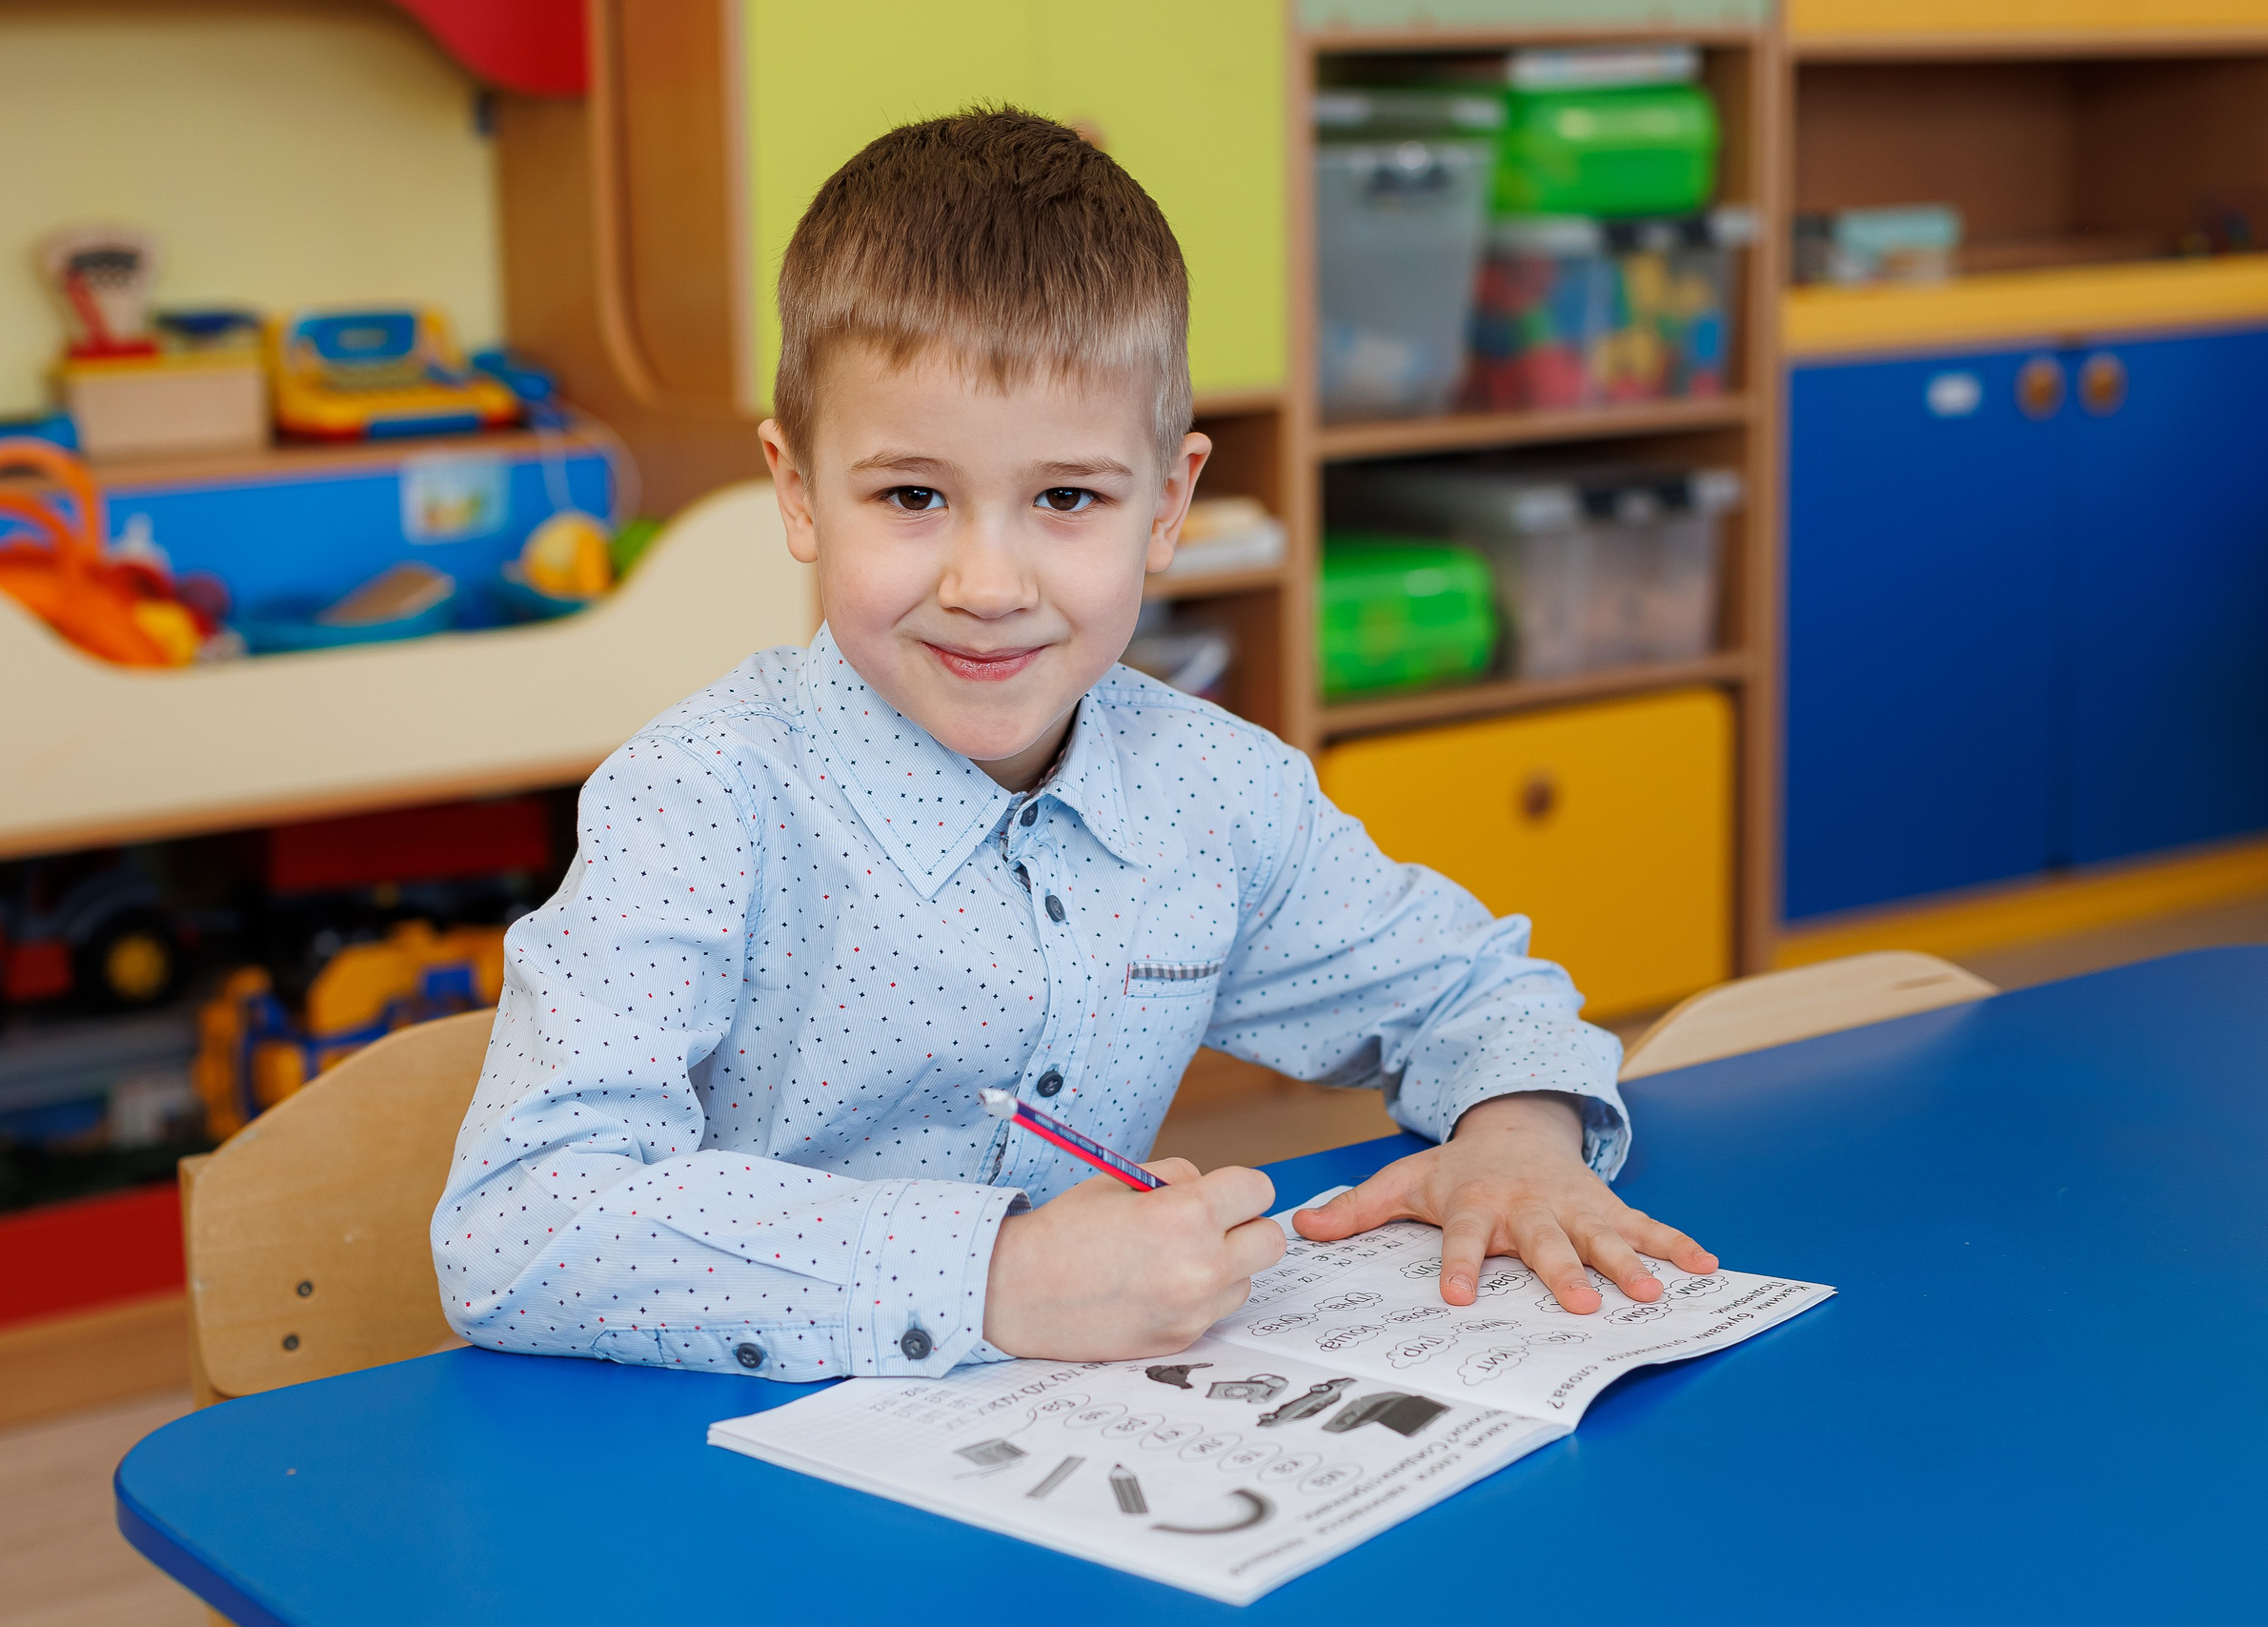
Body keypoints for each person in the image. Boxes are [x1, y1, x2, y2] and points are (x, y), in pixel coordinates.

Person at [433, 108, 1715, 1381]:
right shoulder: (699, 802)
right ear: (797, 491)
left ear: (1167, 506)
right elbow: (516, 1226)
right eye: (913, 495)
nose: (990, 582)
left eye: (1066, 499)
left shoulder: (1210, 792)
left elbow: (1473, 993)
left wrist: (1519, 1137)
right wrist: (998, 1276)